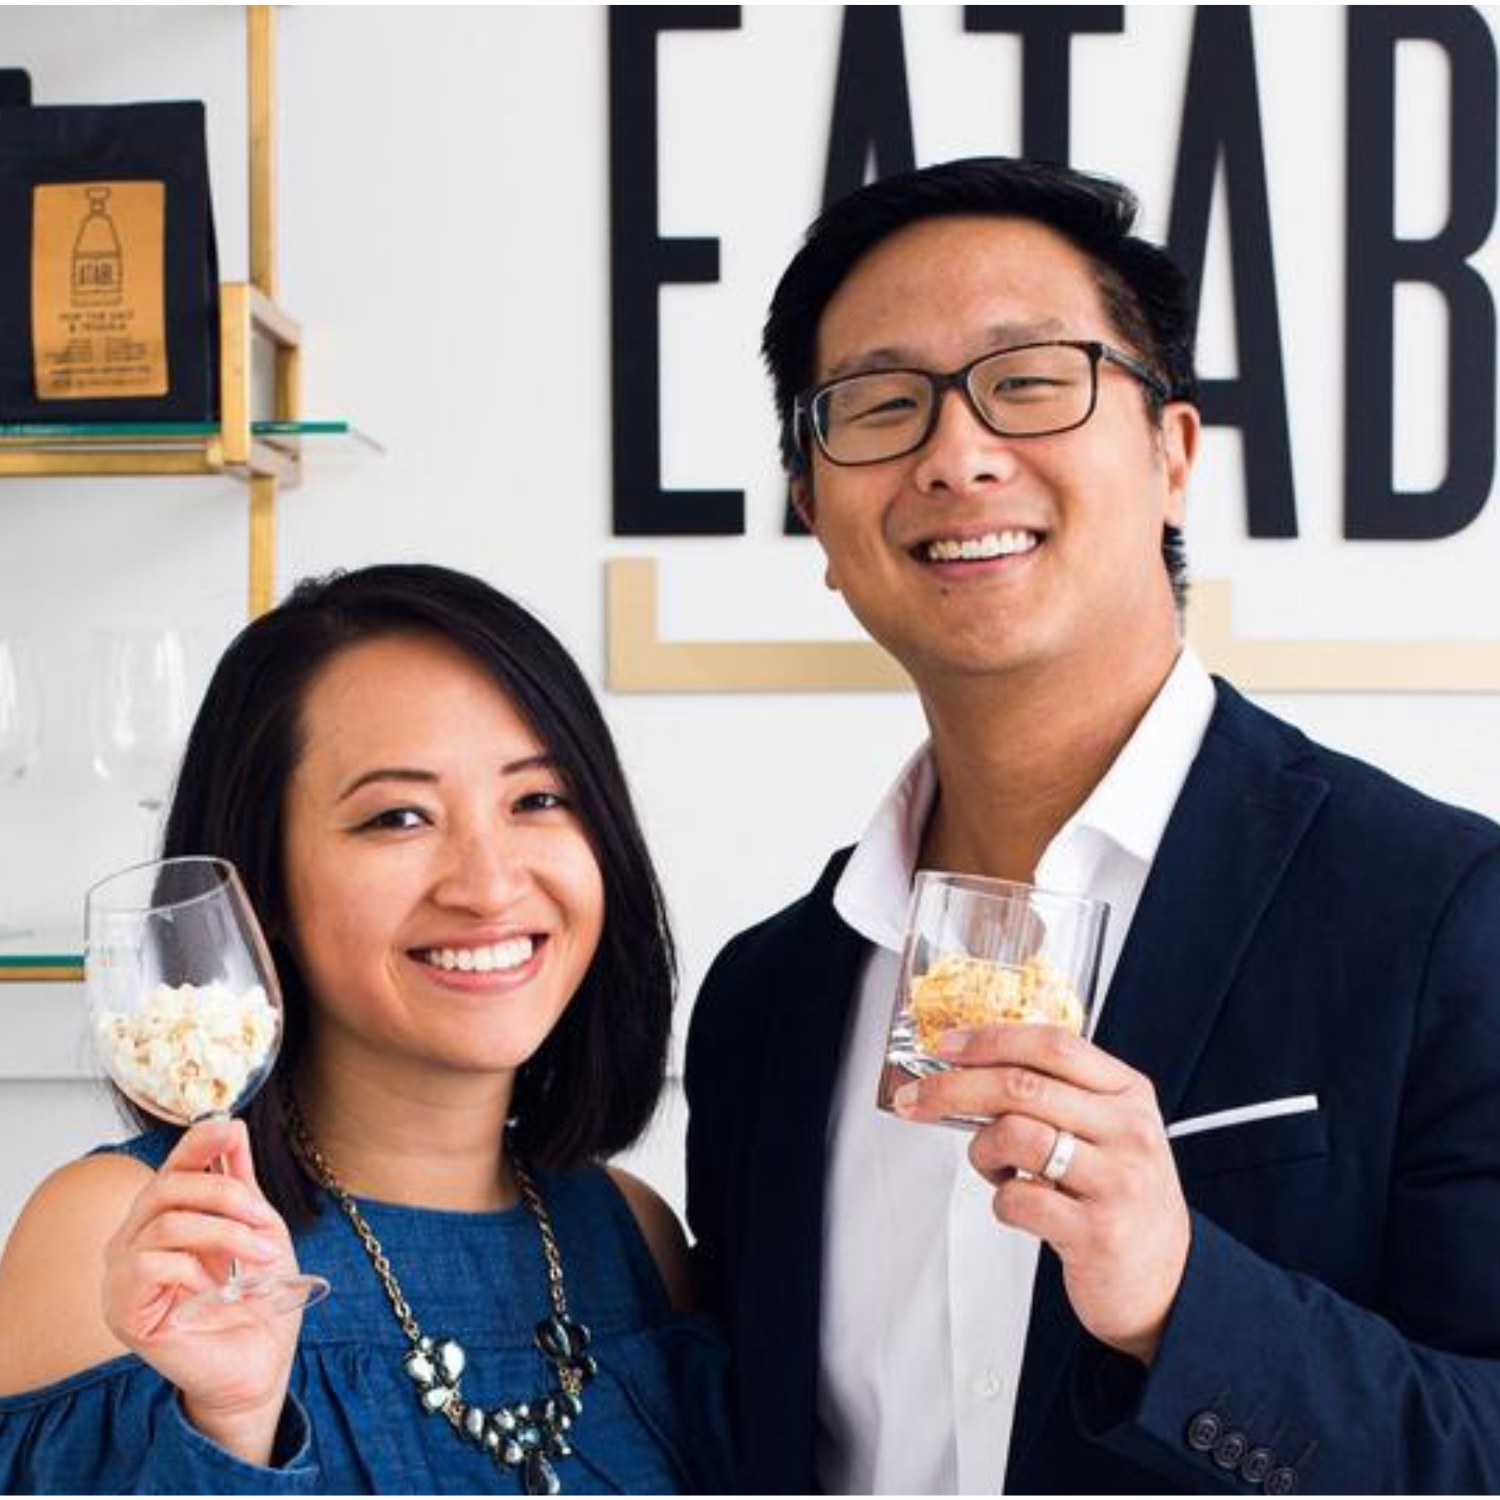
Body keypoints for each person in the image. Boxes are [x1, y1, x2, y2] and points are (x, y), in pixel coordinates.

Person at [684, 156, 1500, 1494]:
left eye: (1028, 380)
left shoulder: (1442, 912)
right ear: (815, 518)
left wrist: (1184, 1301)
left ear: (1173, 454)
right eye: (881, 406)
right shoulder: (765, 1001)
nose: (957, 454)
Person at [0, 563, 729, 1494]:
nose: (490, 883)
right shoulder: (123, 1234)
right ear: (261, 892)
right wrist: (231, 1425)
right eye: (399, 817)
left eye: (538, 800)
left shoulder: (633, 1236)